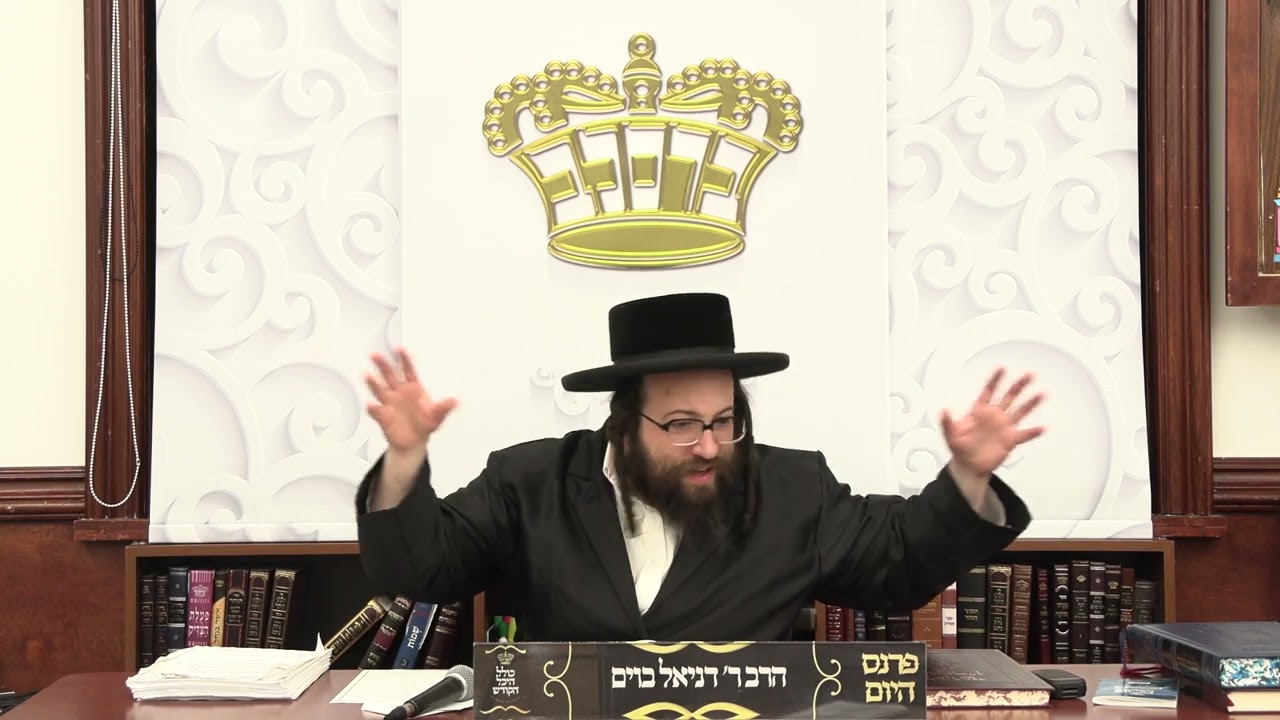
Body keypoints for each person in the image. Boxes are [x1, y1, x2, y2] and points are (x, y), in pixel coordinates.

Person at [354, 292, 1041, 642]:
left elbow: (901, 567)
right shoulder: (530, 482)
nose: (710, 446)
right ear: (624, 422)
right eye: (682, 425)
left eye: (723, 420)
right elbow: (420, 572)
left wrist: (968, 476)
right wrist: (406, 457)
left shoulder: (792, 492)